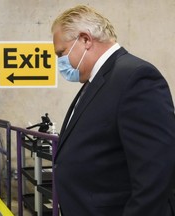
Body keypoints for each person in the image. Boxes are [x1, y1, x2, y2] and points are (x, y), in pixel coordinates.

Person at [51, 5, 175, 216]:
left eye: (61, 53)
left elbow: (154, 175)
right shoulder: (97, 81)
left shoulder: (135, 78)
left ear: (85, 40)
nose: (60, 62)